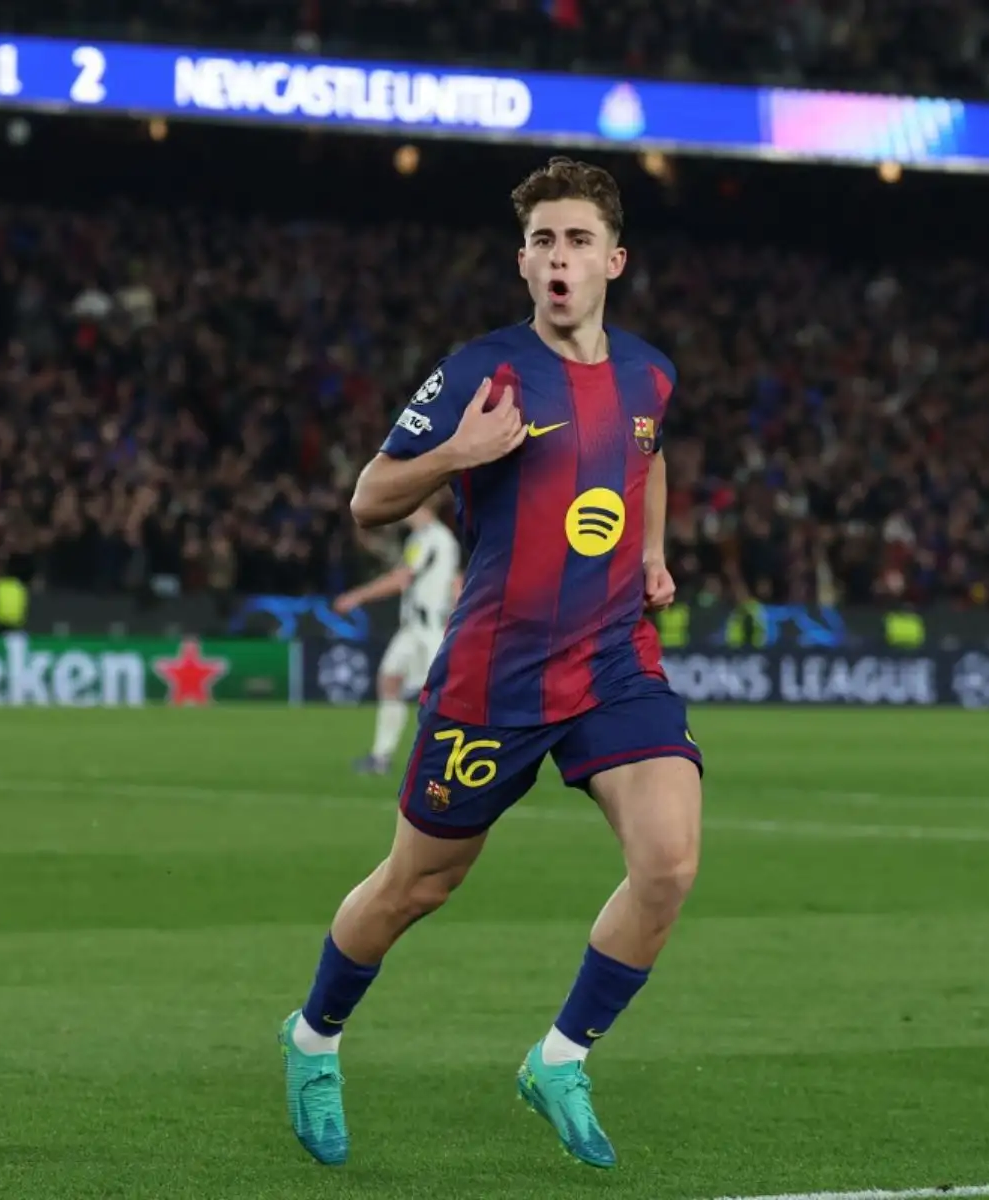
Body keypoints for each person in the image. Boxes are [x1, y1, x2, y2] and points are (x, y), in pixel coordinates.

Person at [278, 157, 703, 1170]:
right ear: (523, 263)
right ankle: (313, 1037)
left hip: (612, 662)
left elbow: (653, 450)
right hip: (494, 674)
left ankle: (558, 1059)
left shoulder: (649, 372)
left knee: (670, 861)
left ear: (615, 260)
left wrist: (649, 551)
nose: (561, 260)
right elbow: (371, 496)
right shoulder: (481, 371)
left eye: (578, 242)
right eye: (544, 243)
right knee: (417, 885)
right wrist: (456, 458)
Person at [333, 494, 462, 775]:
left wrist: (356, 596)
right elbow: (452, 581)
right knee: (390, 679)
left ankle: (454, 760)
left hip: (431, 630)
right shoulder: (419, 539)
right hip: (412, 627)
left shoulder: (436, 539)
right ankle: (381, 757)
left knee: (441, 698)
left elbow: (402, 578)